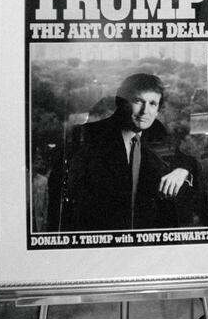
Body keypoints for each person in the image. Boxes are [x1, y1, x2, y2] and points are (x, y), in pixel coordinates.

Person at [64, 73, 198, 231]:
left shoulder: (156, 132)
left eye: (152, 104)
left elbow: (187, 161)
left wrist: (183, 170)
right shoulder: (88, 136)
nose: (145, 111)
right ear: (122, 103)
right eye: (138, 101)